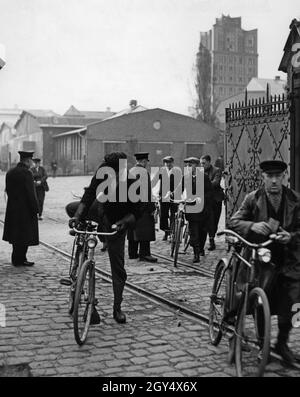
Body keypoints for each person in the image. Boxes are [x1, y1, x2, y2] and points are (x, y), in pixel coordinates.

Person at [228, 160, 300, 365]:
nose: (275, 181)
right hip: (261, 261)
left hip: (289, 260)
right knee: (262, 297)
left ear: (285, 176)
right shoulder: (253, 198)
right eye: (270, 177)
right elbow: (234, 221)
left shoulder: (295, 199)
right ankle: (262, 345)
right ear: (264, 178)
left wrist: (292, 236)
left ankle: (282, 343)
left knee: (295, 301)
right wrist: (252, 225)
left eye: (279, 176)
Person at [68, 152, 139, 324]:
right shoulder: (103, 170)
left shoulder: (131, 180)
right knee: (71, 208)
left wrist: (125, 221)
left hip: (117, 222)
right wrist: (78, 216)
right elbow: (90, 193)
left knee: (118, 267)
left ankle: (117, 308)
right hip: (100, 212)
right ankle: (79, 261)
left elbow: (139, 209)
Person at [3, 151, 39, 267]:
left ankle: (16, 259)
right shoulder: (27, 173)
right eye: (31, 161)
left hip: (13, 209)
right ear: (27, 161)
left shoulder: (10, 172)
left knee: (15, 234)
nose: (32, 163)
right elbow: (31, 194)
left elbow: (8, 190)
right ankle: (21, 259)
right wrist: (36, 209)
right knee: (25, 235)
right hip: (25, 210)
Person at [179, 157, 212, 263]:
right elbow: (180, 188)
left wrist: (201, 198)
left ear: (196, 166)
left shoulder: (204, 177)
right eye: (187, 165)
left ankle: (201, 248)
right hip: (191, 209)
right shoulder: (186, 177)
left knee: (202, 231)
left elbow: (209, 192)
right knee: (194, 233)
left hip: (202, 209)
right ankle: (196, 253)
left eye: (191, 165)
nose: (188, 167)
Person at [127, 152, 157, 263]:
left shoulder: (130, 171)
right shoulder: (143, 172)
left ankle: (132, 253)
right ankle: (145, 254)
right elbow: (146, 191)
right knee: (145, 229)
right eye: (146, 162)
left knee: (132, 228)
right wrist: (151, 207)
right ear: (144, 161)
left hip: (130, 204)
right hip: (142, 205)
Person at [200, 154, 224, 251]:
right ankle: (205, 240)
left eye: (204, 163)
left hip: (215, 200)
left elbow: (216, 182)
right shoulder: (199, 171)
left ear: (209, 162)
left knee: (214, 221)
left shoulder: (217, 170)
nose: (202, 165)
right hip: (205, 200)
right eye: (201, 163)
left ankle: (212, 240)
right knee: (205, 221)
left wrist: (203, 184)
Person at [158, 156, 178, 241]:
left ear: (172, 163)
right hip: (163, 196)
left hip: (174, 196)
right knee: (163, 215)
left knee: (173, 214)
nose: (168, 164)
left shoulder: (177, 171)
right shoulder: (162, 171)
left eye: (169, 162)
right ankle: (166, 232)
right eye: (166, 163)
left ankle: (173, 231)